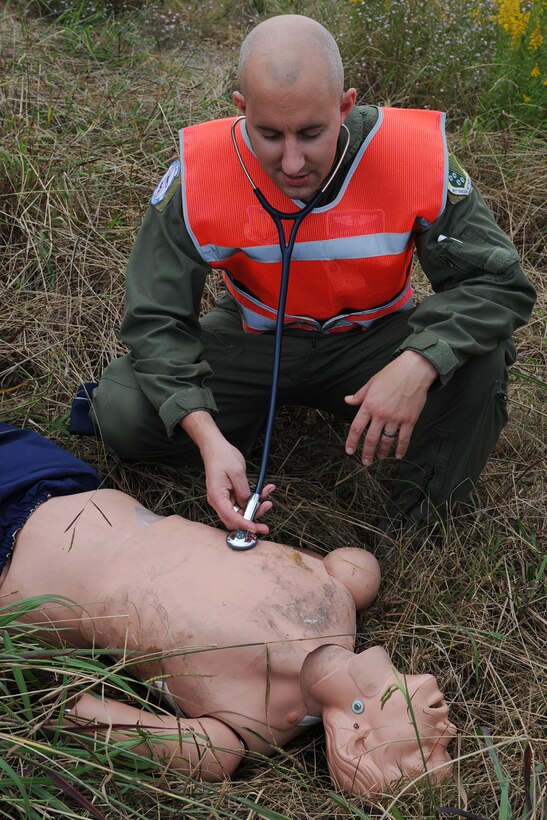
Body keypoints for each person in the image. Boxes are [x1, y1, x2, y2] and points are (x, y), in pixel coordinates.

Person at [89, 15, 536, 541]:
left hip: (375, 342)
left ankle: (420, 522)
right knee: (120, 406)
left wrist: (418, 363)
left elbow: (498, 284)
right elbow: (155, 320)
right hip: (256, 339)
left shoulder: (414, 156)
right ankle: (236, 438)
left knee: (478, 359)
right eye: (270, 135)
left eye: (312, 133)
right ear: (241, 110)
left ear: (344, 106)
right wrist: (205, 434)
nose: (294, 162)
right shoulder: (199, 174)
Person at [0, 424, 456, 796]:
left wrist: (42, 694)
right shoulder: (346, 587)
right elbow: (354, 561)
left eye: (429, 748)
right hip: (62, 486)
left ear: (359, 740)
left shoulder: (239, 733)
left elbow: (66, 711)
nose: (447, 724)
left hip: (18, 572)